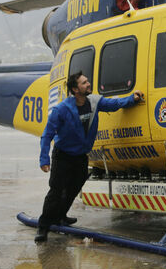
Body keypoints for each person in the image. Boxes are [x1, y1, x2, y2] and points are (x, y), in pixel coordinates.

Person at [35, 71, 144, 242]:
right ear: (75, 89)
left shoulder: (94, 102)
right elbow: (47, 134)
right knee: (56, 191)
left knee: (74, 188)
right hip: (62, 155)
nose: (88, 84)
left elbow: (114, 104)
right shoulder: (61, 109)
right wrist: (44, 160)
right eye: (84, 83)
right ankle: (43, 226)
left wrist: (132, 99)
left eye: (87, 82)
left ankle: (61, 216)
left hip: (80, 156)